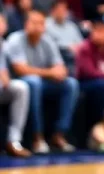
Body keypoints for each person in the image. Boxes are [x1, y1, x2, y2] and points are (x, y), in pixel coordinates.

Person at [5, 10, 78, 153]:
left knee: (71, 84)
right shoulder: (15, 39)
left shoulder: (47, 40)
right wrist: (50, 73)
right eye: (34, 22)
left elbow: (60, 68)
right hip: (21, 82)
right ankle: (37, 137)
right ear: (26, 24)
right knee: (33, 82)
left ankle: (59, 134)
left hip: (43, 82)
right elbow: (21, 69)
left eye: (41, 23)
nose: (37, 26)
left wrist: (58, 72)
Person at [0, 14, 31, 157]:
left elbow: (5, 72)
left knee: (21, 87)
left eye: (2, 21)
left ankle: (13, 141)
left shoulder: (3, 42)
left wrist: (5, 77)